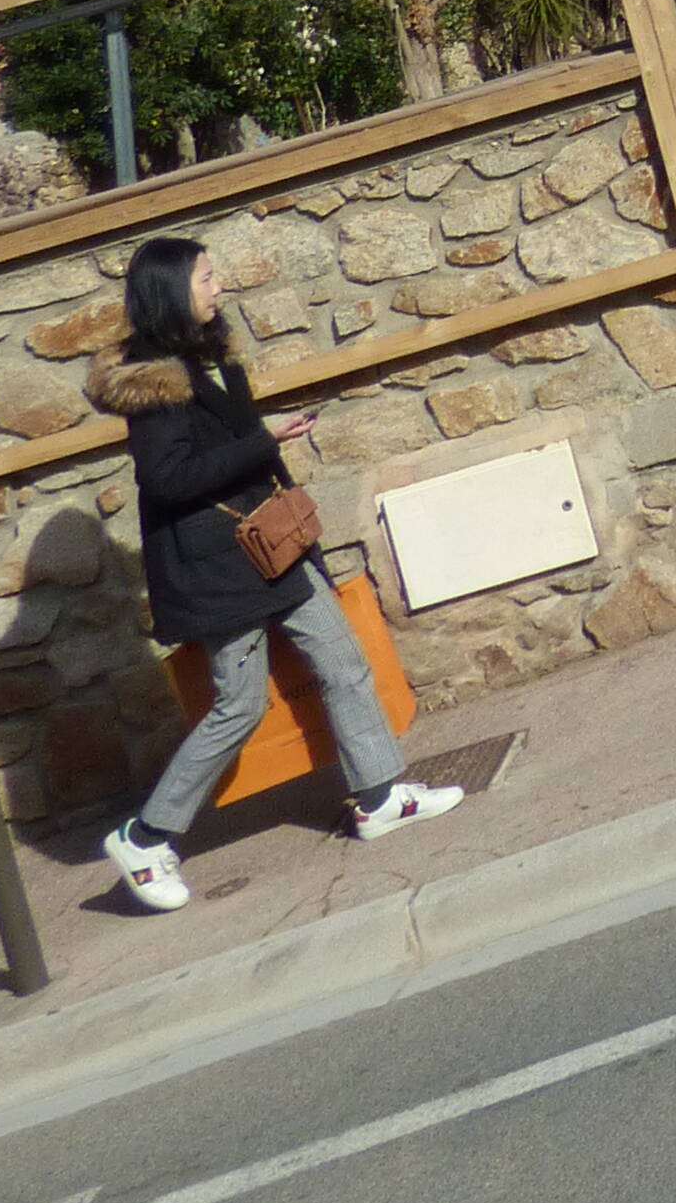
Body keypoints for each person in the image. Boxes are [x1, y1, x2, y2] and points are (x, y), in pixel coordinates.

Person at [91, 235, 458, 911]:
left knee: (343, 661)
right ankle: (144, 838)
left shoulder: (206, 361)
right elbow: (167, 480)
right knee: (239, 705)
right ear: (173, 289)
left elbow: (233, 451)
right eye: (205, 277)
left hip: (268, 546)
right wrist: (266, 440)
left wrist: (277, 476)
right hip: (220, 566)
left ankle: (377, 796)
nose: (218, 286)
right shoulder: (156, 381)